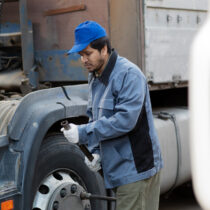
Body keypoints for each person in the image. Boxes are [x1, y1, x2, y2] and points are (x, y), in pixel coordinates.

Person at [61, 20, 163, 210]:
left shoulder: (129, 75)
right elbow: (95, 116)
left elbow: (125, 120)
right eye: (81, 55)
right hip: (118, 168)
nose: (83, 60)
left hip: (136, 169)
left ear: (104, 49)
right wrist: (96, 152)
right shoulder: (95, 77)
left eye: (88, 53)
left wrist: (83, 133)